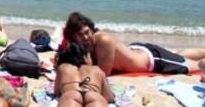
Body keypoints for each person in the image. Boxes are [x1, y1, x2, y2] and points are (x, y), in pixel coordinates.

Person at [62, 12, 193, 76]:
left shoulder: (103, 40)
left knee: (193, 66)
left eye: (87, 32)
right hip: (136, 50)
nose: (85, 37)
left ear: (91, 29)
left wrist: (87, 64)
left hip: (152, 61)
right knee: (178, 56)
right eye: (80, 35)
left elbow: (103, 73)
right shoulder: (82, 46)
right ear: (74, 36)